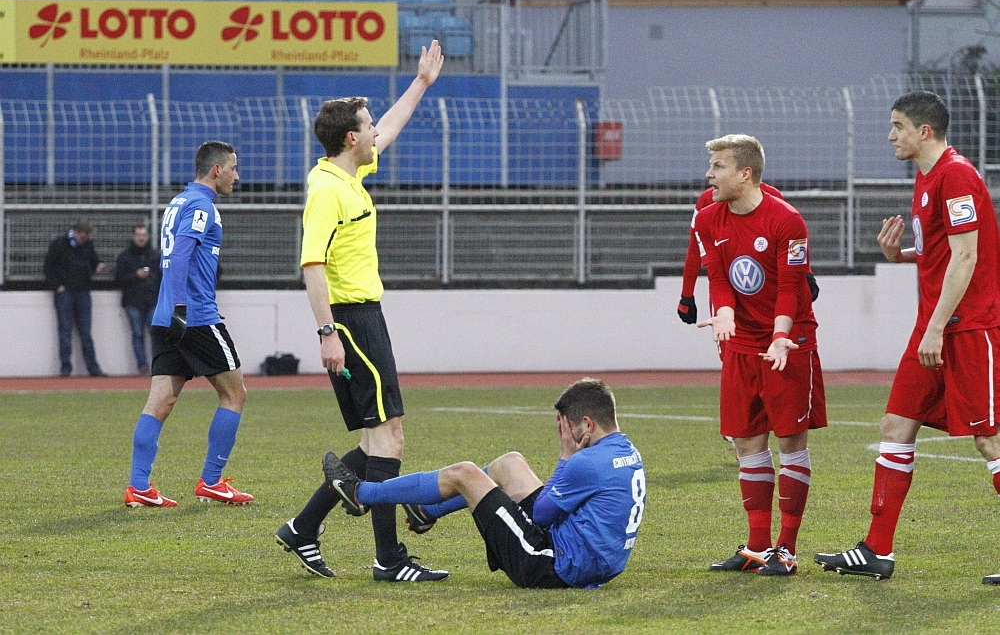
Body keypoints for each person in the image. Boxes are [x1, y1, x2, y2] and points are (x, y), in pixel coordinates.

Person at [275, 41, 447, 581]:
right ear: (352, 139)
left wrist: (421, 83)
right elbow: (312, 264)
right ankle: (387, 559)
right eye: (368, 127)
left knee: (379, 437)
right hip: (351, 318)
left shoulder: (348, 175)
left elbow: (390, 130)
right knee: (387, 438)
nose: (377, 133)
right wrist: (328, 332)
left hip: (362, 315)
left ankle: (303, 528)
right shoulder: (327, 191)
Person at [815, 91, 1000, 585]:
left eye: (897, 126)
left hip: (967, 327)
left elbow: (968, 258)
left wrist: (938, 326)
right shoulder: (926, 177)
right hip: (935, 327)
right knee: (896, 424)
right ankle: (877, 551)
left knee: (990, 438)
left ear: (925, 131)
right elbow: (944, 250)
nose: (890, 135)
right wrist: (907, 256)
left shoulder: (956, 174)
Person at [323, 378, 646, 589]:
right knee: (511, 463)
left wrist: (565, 457)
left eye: (569, 428)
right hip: (593, 563)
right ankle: (426, 510)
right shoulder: (628, 451)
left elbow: (543, 516)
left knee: (464, 473)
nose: (567, 436)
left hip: (551, 564)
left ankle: (361, 493)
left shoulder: (585, 462)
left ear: (587, 424)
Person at [695, 134, 827, 576]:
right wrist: (725, 314)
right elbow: (717, 279)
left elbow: (791, 288)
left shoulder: (787, 221)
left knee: (790, 442)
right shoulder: (709, 218)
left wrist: (779, 335)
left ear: (745, 173)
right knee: (747, 442)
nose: (709, 175)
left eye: (718, 167)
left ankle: (785, 549)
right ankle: (756, 548)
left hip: (788, 344)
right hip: (742, 344)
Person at [123, 140, 254, 509]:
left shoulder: (178, 201)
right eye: (233, 168)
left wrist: (173, 308)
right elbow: (180, 255)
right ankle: (212, 481)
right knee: (235, 393)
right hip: (195, 316)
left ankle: (138, 487)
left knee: (161, 401)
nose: (236, 175)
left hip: (165, 317)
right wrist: (183, 305)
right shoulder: (201, 206)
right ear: (216, 170)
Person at [678, 184, 819, 326]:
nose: (711, 175)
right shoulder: (708, 199)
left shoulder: (773, 195)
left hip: (769, 294)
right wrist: (686, 295)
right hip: (728, 297)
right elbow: (695, 247)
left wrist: (806, 272)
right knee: (728, 333)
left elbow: (791, 237)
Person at [43, 220, 106, 377]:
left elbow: (93, 262)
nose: (84, 239)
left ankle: (93, 368)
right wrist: (57, 286)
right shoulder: (59, 244)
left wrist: (98, 266)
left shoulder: (87, 245)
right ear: (76, 232)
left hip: (83, 291)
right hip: (65, 292)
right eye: (82, 236)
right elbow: (48, 267)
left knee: (86, 333)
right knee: (65, 331)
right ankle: (65, 368)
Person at [114, 224, 161, 376]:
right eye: (138, 235)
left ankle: (158, 366)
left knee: (156, 334)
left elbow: (161, 277)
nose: (141, 238)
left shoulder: (155, 256)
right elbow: (118, 279)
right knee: (137, 334)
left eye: (143, 235)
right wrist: (136, 275)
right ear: (133, 236)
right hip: (132, 301)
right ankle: (142, 366)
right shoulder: (124, 257)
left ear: (147, 237)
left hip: (152, 300)